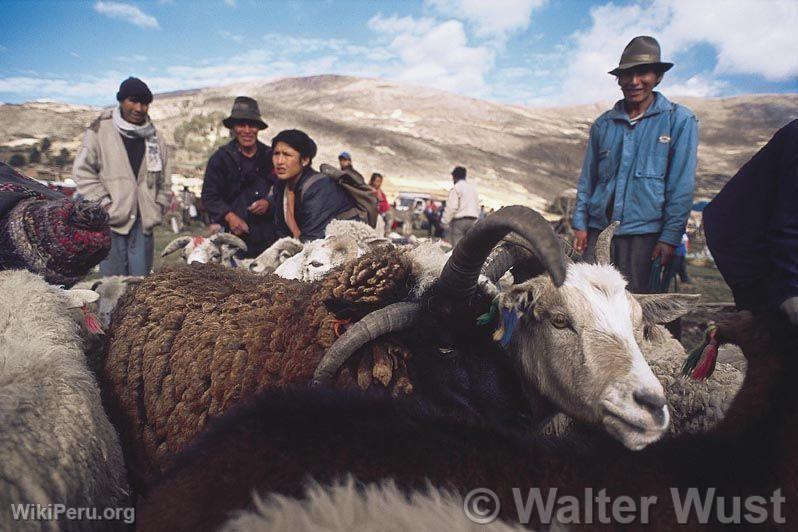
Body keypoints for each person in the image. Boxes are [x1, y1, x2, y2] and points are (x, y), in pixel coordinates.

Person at [571, 36, 698, 293]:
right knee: (591, 304)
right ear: (618, 79)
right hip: (599, 233)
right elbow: (588, 180)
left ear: (658, 76)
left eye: (643, 73)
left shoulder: (679, 120)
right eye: (627, 74)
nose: (634, 81)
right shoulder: (603, 125)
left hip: (646, 237)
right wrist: (580, 224)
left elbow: (681, 185)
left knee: (643, 311)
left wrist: (670, 236)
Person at [703, 120, 798, 327]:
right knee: (775, 332)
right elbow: (790, 225)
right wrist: (792, 291)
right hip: (749, 247)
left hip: (772, 243)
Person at [73, 76, 171, 276]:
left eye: (144, 103)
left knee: (140, 285)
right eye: (133, 101)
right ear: (121, 101)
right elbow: (82, 172)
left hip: (144, 222)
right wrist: (104, 203)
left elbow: (165, 180)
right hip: (111, 221)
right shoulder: (99, 130)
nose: (139, 108)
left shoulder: (155, 136)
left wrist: (158, 206)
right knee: (112, 286)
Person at [201, 96, 277, 257]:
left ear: (258, 128)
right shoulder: (220, 159)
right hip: (233, 239)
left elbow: (283, 189)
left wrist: (268, 203)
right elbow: (209, 196)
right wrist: (229, 216)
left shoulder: (271, 156)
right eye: (241, 125)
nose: (247, 130)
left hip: (270, 238)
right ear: (234, 128)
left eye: (252, 125)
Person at [269, 129, 358, 242]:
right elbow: (282, 231)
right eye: (276, 154)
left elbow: (312, 239)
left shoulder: (320, 187)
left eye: (287, 155)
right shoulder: (281, 186)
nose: (279, 161)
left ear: (305, 160)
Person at [442, 166, 480, 247]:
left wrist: (445, 221)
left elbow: (452, 207)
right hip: (472, 220)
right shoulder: (473, 189)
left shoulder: (456, 188)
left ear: (455, 177)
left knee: (458, 247)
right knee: (469, 246)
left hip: (459, 221)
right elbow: (477, 207)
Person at [370, 172, 392, 236]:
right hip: (375, 212)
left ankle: (386, 234)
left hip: (383, 211)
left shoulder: (379, 191)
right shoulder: (370, 190)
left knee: (389, 214)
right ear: (372, 181)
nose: (378, 183)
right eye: (377, 181)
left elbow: (385, 203)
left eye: (380, 181)